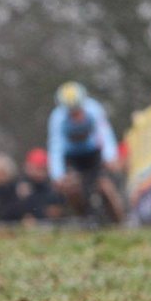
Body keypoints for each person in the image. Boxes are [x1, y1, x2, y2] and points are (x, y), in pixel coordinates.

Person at [48, 81, 124, 222]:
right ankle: (84, 217)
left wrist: (110, 157)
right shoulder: (57, 118)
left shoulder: (94, 109)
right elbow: (55, 146)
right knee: (72, 189)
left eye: (77, 109)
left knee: (106, 187)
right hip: (72, 158)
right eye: (70, 111)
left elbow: (105, 134)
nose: (75, 113)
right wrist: (57, 174)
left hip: (94, 154)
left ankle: (118, 220)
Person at [14, 148, 65, 223]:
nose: (39, 173)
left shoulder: (52, 188)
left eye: (43, 169)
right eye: (37, 168)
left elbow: (56, 214)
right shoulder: (18, 186)